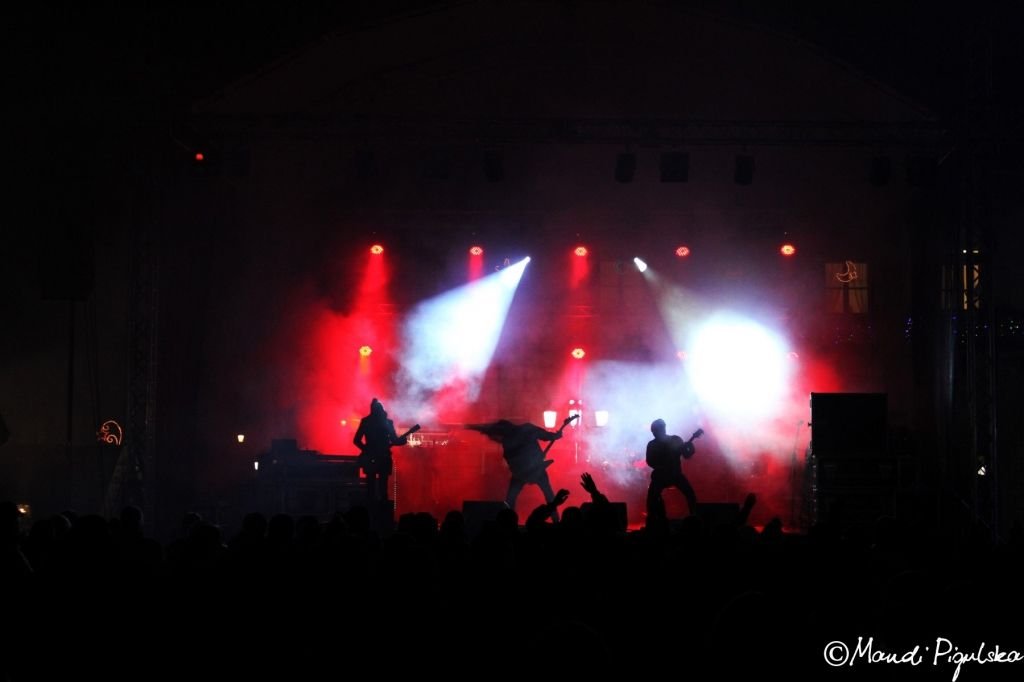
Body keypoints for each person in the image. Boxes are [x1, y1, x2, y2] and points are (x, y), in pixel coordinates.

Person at [469, 419, 564, 523]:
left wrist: (519, 472)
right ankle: (556, 520)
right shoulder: (527, 429)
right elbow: (547, 436)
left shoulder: (508, 441)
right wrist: (556, 435)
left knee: (511, 497)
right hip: (532, 469)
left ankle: (508, 521)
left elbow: (511, 461)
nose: (495, 439)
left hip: (523, 472)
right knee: (548, 493)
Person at [353, 398, 409, 505]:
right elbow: (394, 440)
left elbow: (356, 440)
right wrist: (401, 441)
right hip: (383, 456)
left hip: (373, 457)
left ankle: (373, 504)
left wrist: (367, 450)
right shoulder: (386, 422)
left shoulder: (367, 421)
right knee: (382, 483)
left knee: (372, 483)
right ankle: (381, 505)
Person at [645, 418, 698, 523]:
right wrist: (661, 465)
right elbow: (649, 461)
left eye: (655, 430)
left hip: (675, 474)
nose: (654, 433)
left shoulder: (675, 440)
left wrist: (691, 449)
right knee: (652, 498)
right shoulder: (653, 444)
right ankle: (653, 519)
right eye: (653, 431)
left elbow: (686, 455)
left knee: (690, 494)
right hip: (664, 475)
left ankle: (695, 517)